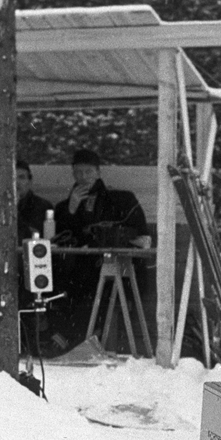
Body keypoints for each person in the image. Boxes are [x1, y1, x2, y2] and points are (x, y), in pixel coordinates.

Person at [49, 148, 150, 348]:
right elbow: (60, 236)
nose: (83, 177)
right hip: (77, 265)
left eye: (88, 172)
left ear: (98, 172)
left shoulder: (119, 199)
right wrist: (71, 209)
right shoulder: (64, 206)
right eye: (78, 172)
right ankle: (67, 337)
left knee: (90, 283)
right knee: (60, 280)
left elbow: (141, 235)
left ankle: (79, 337)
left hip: (108, 266)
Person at [16, 159, 54, 240]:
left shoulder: (43, 207)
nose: (16, 182)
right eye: (12, 178)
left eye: (21, 177)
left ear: (29, 181)